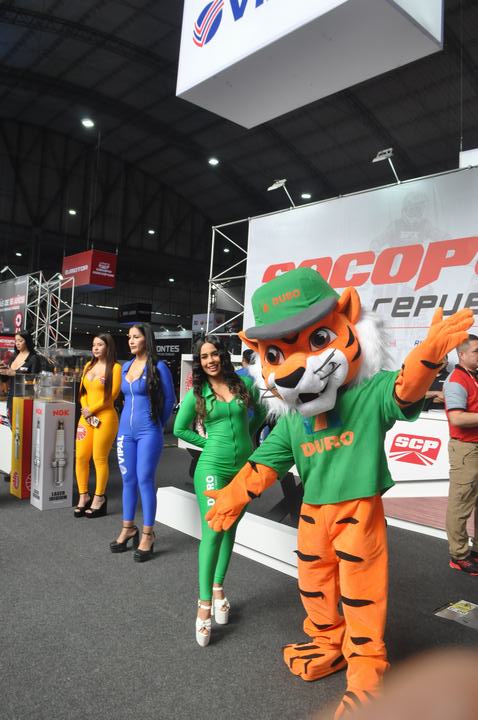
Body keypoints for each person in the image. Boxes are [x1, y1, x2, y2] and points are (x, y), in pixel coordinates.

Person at [173, 335, 265, 647]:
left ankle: (218, 588)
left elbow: (261, 414)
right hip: (212, 468)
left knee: (230, 529)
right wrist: (209, 443)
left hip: (243, 470)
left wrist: (249, 437)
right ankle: (203, 607)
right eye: (204, 357)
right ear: (199, 363)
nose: (210, 360)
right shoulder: (197, 394)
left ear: (222, 356)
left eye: (214, 354)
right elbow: (179, 428)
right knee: (213, 530)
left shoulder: (243, 385)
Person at [111, 323, 175, 561]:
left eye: (135, 337)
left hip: (149, 431)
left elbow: (169, 399)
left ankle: (148, 533)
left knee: (145, 480)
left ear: (146, 339)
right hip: (124, 432)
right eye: (129, 337)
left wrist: (158, 423)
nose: (130, 341)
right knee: (128, 479)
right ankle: (128, 528)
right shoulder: (126, 366)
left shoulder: (159, 366)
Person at [74, 334, 122, 518]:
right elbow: (82, 392)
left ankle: (99, 497)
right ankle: (83, 496)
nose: (95, 348)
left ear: (108, 347)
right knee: (81, 457)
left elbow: (112, 395)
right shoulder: (88, 365)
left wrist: (91, 410)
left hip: (105, 418)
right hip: (86, 418)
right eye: (94, 345)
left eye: (100, 344)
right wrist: (85, 408)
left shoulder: (115, 368)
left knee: (99, 458)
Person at [443, 334, 478, 575]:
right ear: (462, 354)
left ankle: (472, 550)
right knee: (461, 504)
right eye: (476, 351)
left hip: (474, 447)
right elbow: (456, 418)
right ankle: (459, 555)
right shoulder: (456, 380)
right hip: (466, 450)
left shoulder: (473, 376)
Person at [0, 331, 42, 420]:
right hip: (11, 397)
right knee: (12, 423)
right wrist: (3, 371)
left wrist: (16, 373)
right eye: (16, 341)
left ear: (27, 341)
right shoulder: (13, 357)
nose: (17, 343)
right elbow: (5, 379)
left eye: (20, 340)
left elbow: (34, 378)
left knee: (23, 424)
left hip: (25, 397)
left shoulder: (34, 358)